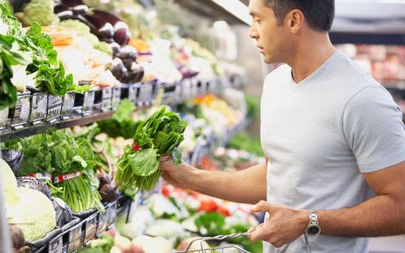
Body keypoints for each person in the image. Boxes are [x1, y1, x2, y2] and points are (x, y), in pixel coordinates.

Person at [159, 0, 405, 252]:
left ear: (293, 21)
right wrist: (190, 177)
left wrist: (308, 221)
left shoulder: (363, 98)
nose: (252, 31)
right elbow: (276, 176)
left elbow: (401, 208)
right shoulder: (275, 84)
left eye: (258, 19)